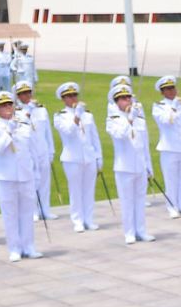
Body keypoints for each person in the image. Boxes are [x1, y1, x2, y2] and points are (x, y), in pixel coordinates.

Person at [0, 91, 41, 263]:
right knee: (10, 215)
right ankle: (14, 248)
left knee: (27, 213)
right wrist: (7, 133)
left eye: (9, 104)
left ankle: (29, 246)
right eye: (3, 106)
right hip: (6, 178)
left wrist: (36, 172)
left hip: (26, 175)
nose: (7, 108)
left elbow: (33, 151)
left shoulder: (24, 125)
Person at [107, 84, 154, 244]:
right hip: (124, 167)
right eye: (123, 98)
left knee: (140, 201)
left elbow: (144, 145)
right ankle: (129, 232)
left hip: (140, 165)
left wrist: (148, 165)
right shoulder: (113, 120)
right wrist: (129, 120)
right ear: (116, 102)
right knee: (127, 201)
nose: (127, 100)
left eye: (129, 97)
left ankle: (141, 230)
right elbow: (120, 135)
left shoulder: (139, 119)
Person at [54, 82, 101, 232]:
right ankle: (77, 220)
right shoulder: (60, 116)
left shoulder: (88, 115)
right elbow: (68, 132)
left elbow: (94, 138)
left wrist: (98, 157)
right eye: (69, 96)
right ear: (63, 99)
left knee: (89, 190)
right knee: (75, 190)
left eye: (74, 95)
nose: (73, 98)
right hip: (72, 158)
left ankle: (89, 219)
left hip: (89, 157)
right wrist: (76, 116)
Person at [152, 77, 181, 218]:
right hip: (169, 148)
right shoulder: (158, 107)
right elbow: (166, 121)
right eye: (168, 89)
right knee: (171, 180)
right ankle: (172, 206)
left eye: (173, 88)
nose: (171, 91)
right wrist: (173, 108)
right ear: (162, 92)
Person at [13, 82, 57, 222]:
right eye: (23, 93)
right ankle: (32, 211)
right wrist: (28, 112)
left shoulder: (41, 109)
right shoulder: (15, 112)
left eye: (28, 92)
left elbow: (47, 132)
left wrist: (51, 151)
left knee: (44, 181)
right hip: (27, 152)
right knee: (31, 183)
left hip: (42, 149)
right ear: (18, 96)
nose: (27, 95)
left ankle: (45, 210)